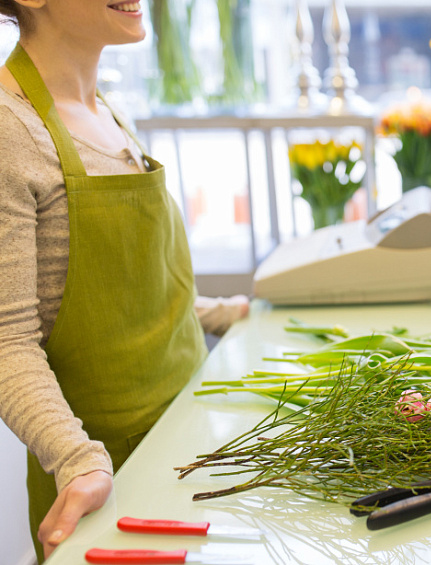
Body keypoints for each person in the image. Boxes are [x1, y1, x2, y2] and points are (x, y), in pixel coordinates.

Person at [0, 1, 247, 561]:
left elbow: (124, 289)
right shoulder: (8, 132)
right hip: (108, 477)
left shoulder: (104, 108)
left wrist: (218, 311)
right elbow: (7, 339)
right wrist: (77, 461)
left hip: (187, 435)